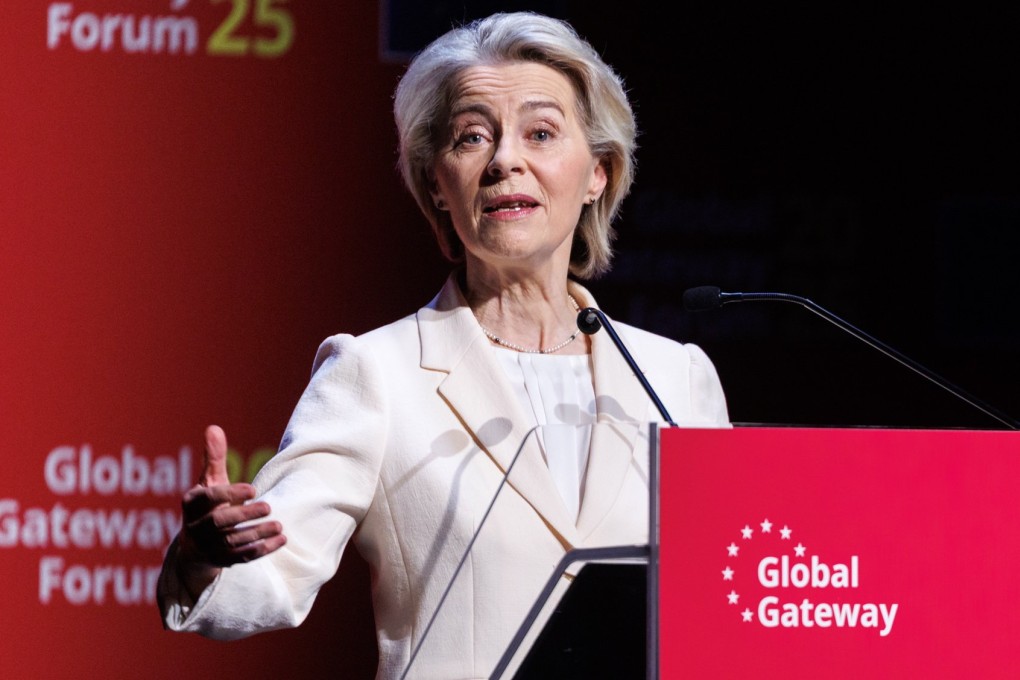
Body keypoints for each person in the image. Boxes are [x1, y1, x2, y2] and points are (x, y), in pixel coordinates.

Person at [157, 11, 729, 679]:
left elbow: (727, 598)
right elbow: (272, 574)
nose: (506, 160)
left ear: (598, 172)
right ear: (436, 181)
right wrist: (208, 555)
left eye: (541, 133)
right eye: (472, 138)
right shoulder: (376, 374)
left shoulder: (676, 378)